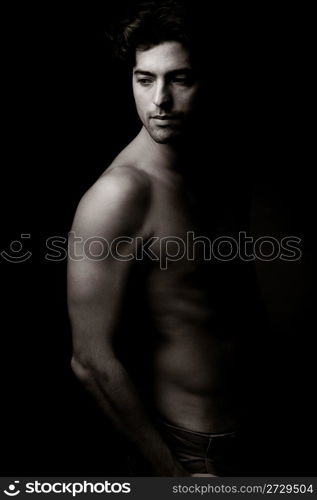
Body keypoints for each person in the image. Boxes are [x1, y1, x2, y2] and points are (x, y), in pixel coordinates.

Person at [67, 0, 263, 476]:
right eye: (144, 79)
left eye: (179, 78)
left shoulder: (216, 166)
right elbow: (91, 362)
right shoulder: (120, 194)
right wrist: (175, 479)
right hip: (190, 451)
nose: (159, 101)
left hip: (253, 431)